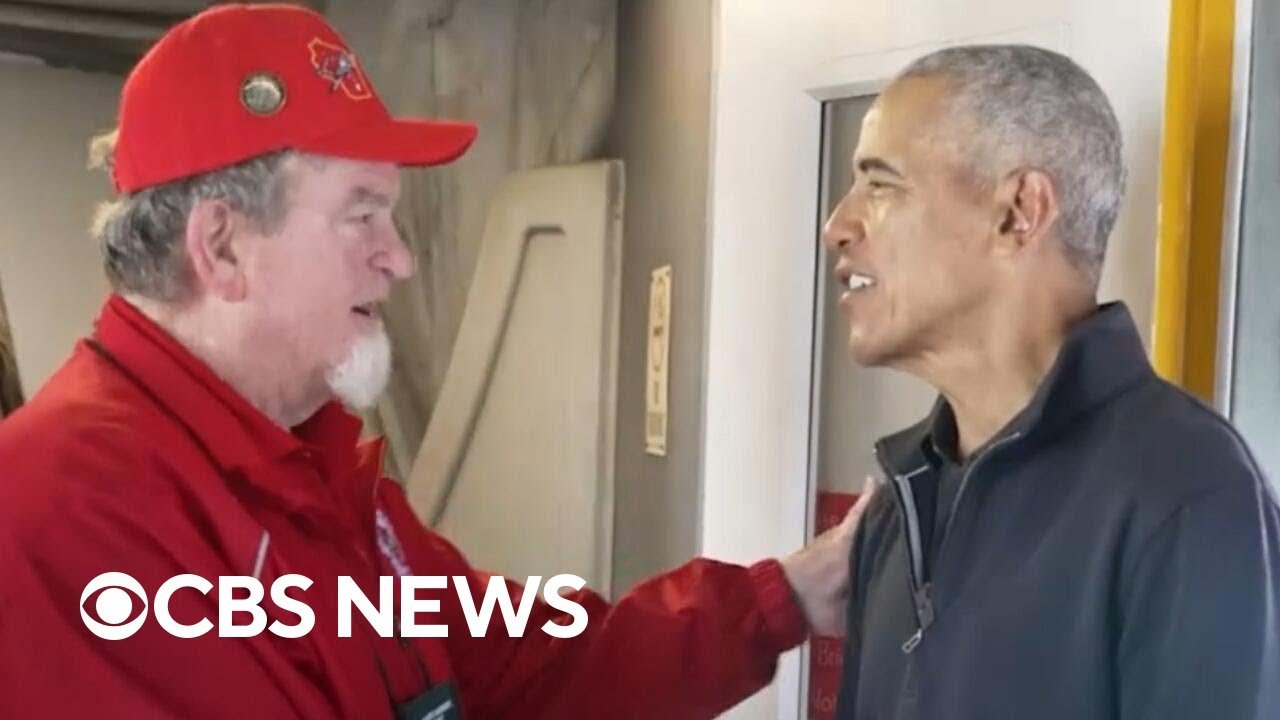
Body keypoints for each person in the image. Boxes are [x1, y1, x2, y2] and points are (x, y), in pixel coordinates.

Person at [0, 5, 870, 719]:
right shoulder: (63, 507)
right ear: (222, 247)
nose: (400, 259)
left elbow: (531, 670)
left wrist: (783, 598)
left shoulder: (311, 472)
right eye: (361, 214)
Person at [824, 45, 1280, 720]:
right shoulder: (900, 506)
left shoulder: (1188, 493)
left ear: (1019, 212)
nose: (838, 225)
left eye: (882, 184)